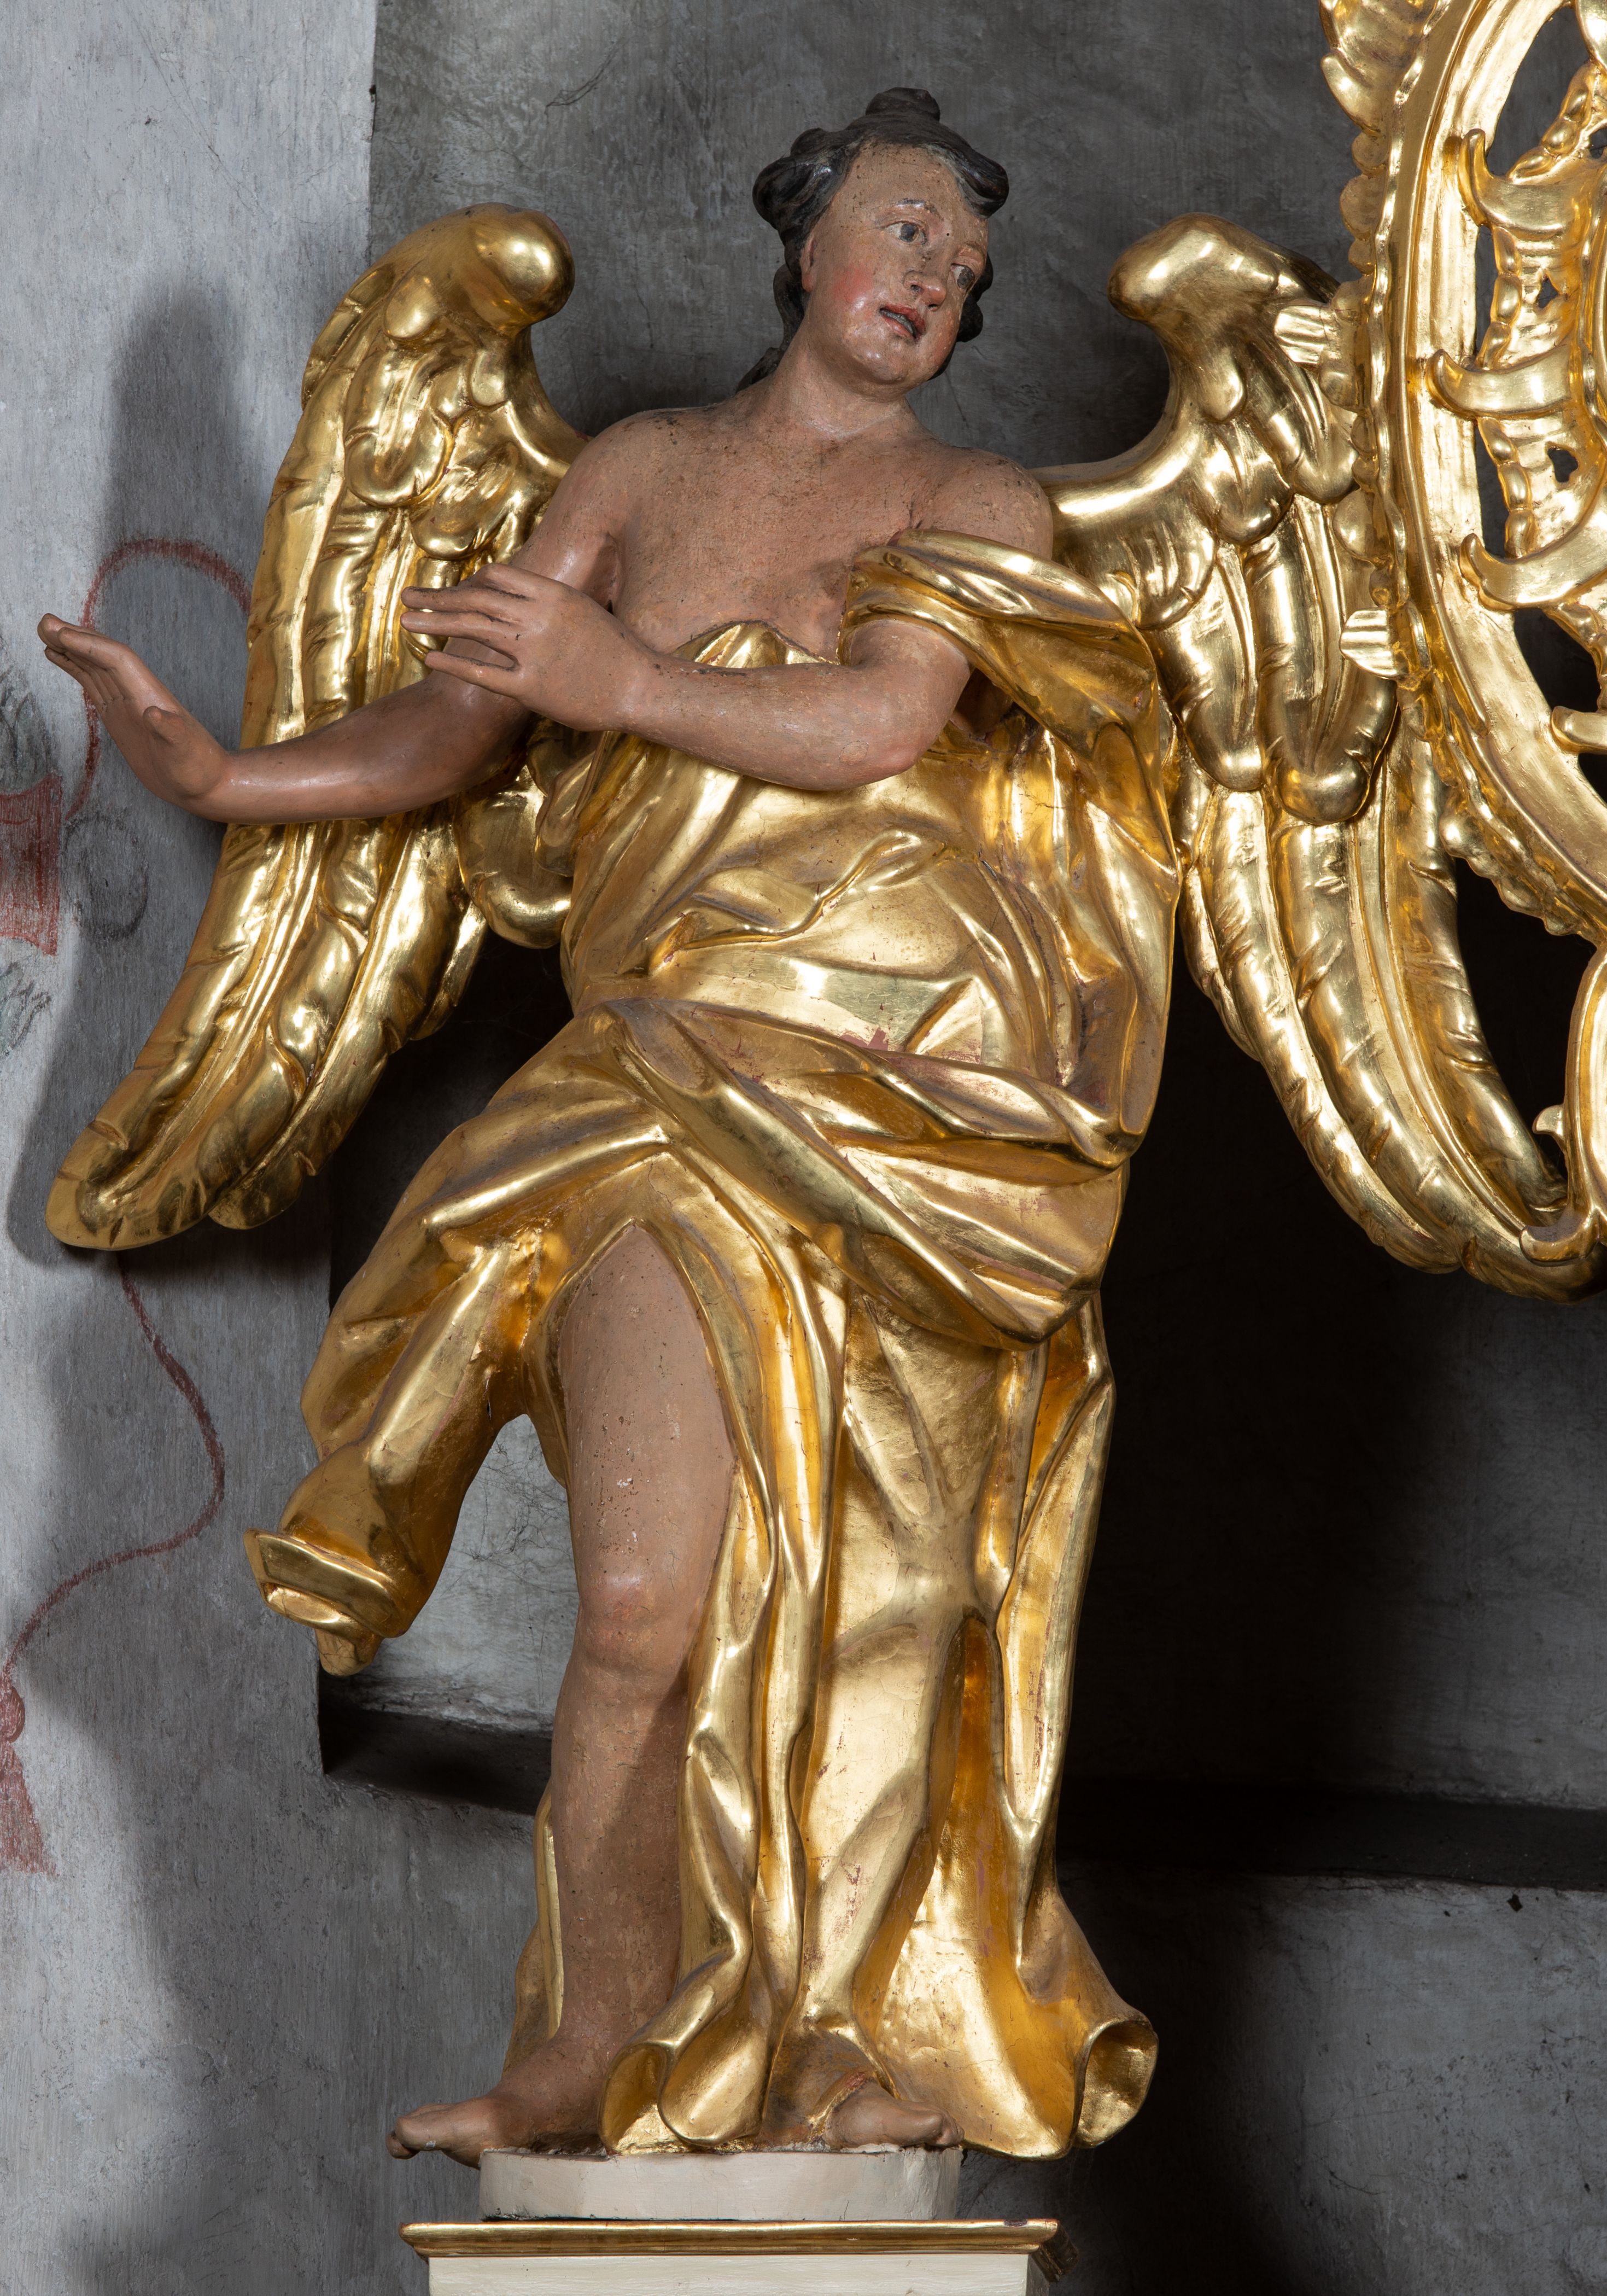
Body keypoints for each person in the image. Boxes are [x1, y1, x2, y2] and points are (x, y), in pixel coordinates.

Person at [40, 90, 1170, 2163]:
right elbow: (463, 715)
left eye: (964, 264)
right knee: (647, 1601)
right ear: (807, 242)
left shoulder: (980, 502)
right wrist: (221, 776)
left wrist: (621, 679)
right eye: (903, 230)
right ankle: (587, 2055)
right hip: (664, 1079)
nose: (933, 276)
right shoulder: (638, 471)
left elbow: (877, 720)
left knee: (885, 1603)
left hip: (912, 1110)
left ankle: (843, 2048)